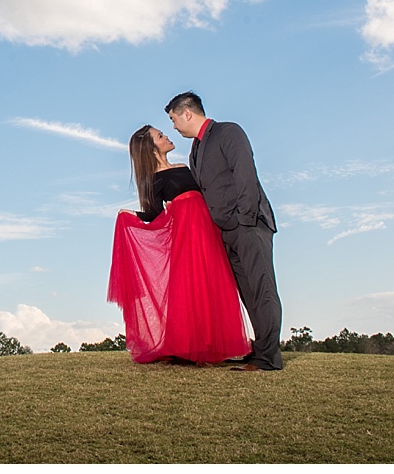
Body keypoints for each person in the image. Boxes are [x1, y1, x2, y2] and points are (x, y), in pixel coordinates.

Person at [107, 125, 251, 366]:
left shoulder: (185, 168)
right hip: (186, 237)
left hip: (208, 230)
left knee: (214, 282)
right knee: (191, 287)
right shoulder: (154, 179)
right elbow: (153, 214)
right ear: (151, 148)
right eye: (161, 136)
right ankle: (190, 347)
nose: (167, 137)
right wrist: (129, 216)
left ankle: (215, 346)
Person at [165, 91, 283, 372]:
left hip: (249, 224)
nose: (173, 126)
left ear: (187, 113)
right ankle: (259, 352)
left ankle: (268, 358)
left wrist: (244, 219)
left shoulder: (229, 132)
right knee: (248, 292)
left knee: (262, 288)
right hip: (226, 230)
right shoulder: (196, 149)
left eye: (173, 119)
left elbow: (245, 175)